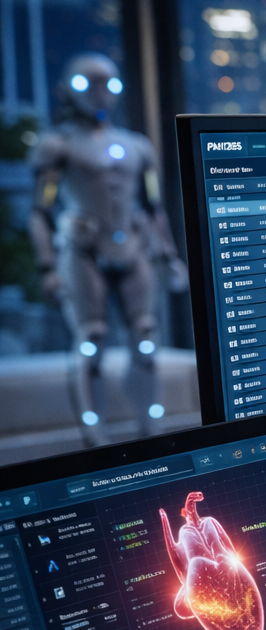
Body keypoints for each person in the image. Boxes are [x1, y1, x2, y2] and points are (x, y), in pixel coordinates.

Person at [29, 52, 185, 446]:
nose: (100, 94)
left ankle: (152, 429)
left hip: (132, 248)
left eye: (109, 85)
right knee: (91, 338)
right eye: (88, 85)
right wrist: (47, 265)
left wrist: (168, 255)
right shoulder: (57, 146)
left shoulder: (137, 147)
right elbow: (40, 211)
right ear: (68, 90)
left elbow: (153, 207)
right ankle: (94, 435)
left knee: (146, 337)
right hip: (83, 251)